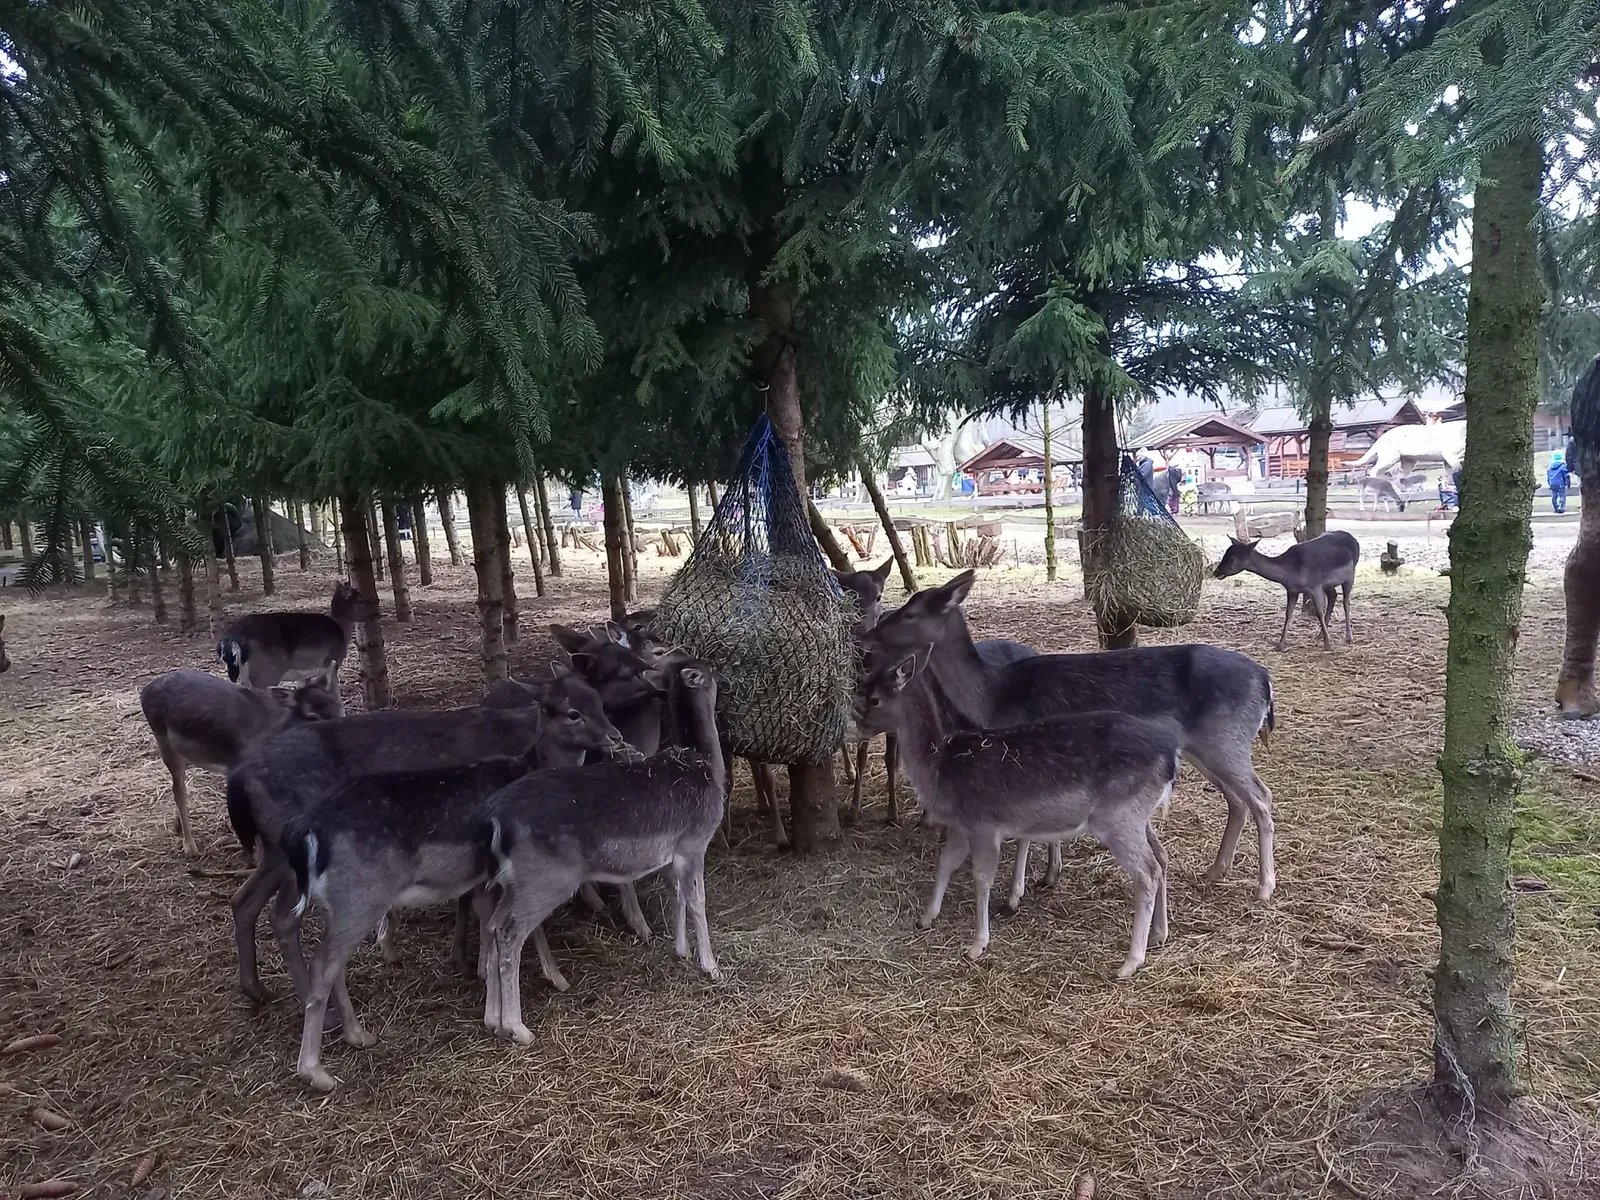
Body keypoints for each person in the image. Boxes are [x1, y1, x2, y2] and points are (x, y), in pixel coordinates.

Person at [1548, 450, 1571, 514]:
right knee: (1561, 496)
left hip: (1552, 483)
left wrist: (1549, 483)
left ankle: (1556, 507)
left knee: (1554, 496)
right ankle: (1561, 508)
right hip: (1560, 483)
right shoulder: (1563, 466)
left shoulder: (1550, 467)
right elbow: (1566, 475)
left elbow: (1548, 476)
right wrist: (1568, 483)